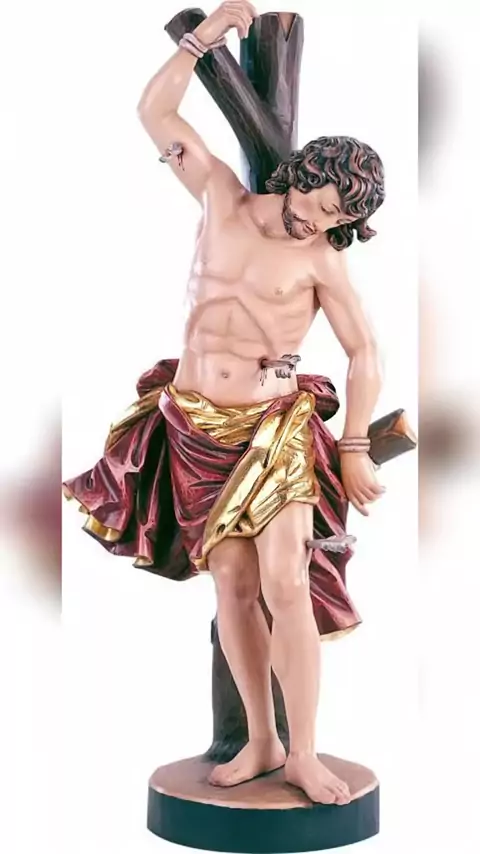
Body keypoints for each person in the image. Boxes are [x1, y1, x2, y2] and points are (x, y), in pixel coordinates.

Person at [64, 0, 386, 806]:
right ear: (300, 173)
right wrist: (203, 40)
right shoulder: (219, 198)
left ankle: (304, 752)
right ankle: (262, 740)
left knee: (285, 582)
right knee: (234, 587)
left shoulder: (323, 261)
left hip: (274, 430)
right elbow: (156, 113)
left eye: (339, 219)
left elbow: (364, 351)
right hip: (194, 427)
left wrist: (353, 445)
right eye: (319, 203)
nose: (319, 223)